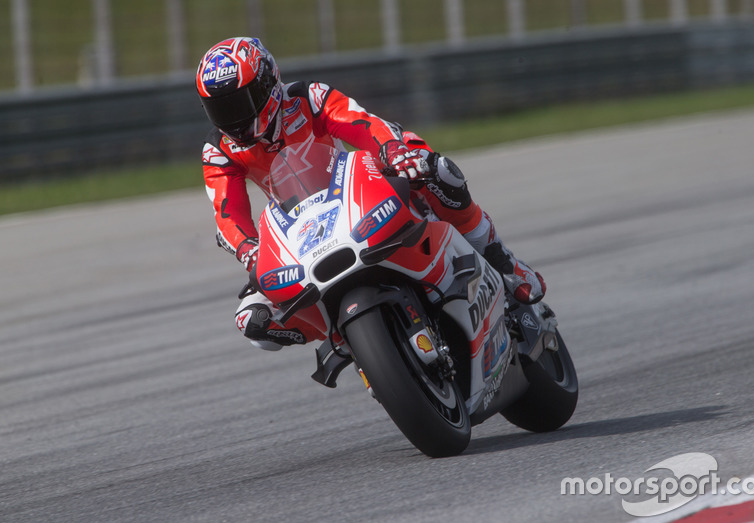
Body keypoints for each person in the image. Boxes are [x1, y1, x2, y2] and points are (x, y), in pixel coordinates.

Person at [196, 37, 545, 351]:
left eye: (240, 103)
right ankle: (344, 339)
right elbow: (227, 213)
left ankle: (502, 260)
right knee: (252, 319)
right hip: (302, 229)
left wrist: (392, 150)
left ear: (267, 85)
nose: (233, 119)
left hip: (355, 190)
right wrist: (248, 250)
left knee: (433, 167)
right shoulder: (219, 150)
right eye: (220, 109)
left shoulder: (306, 98)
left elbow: (361, 123)